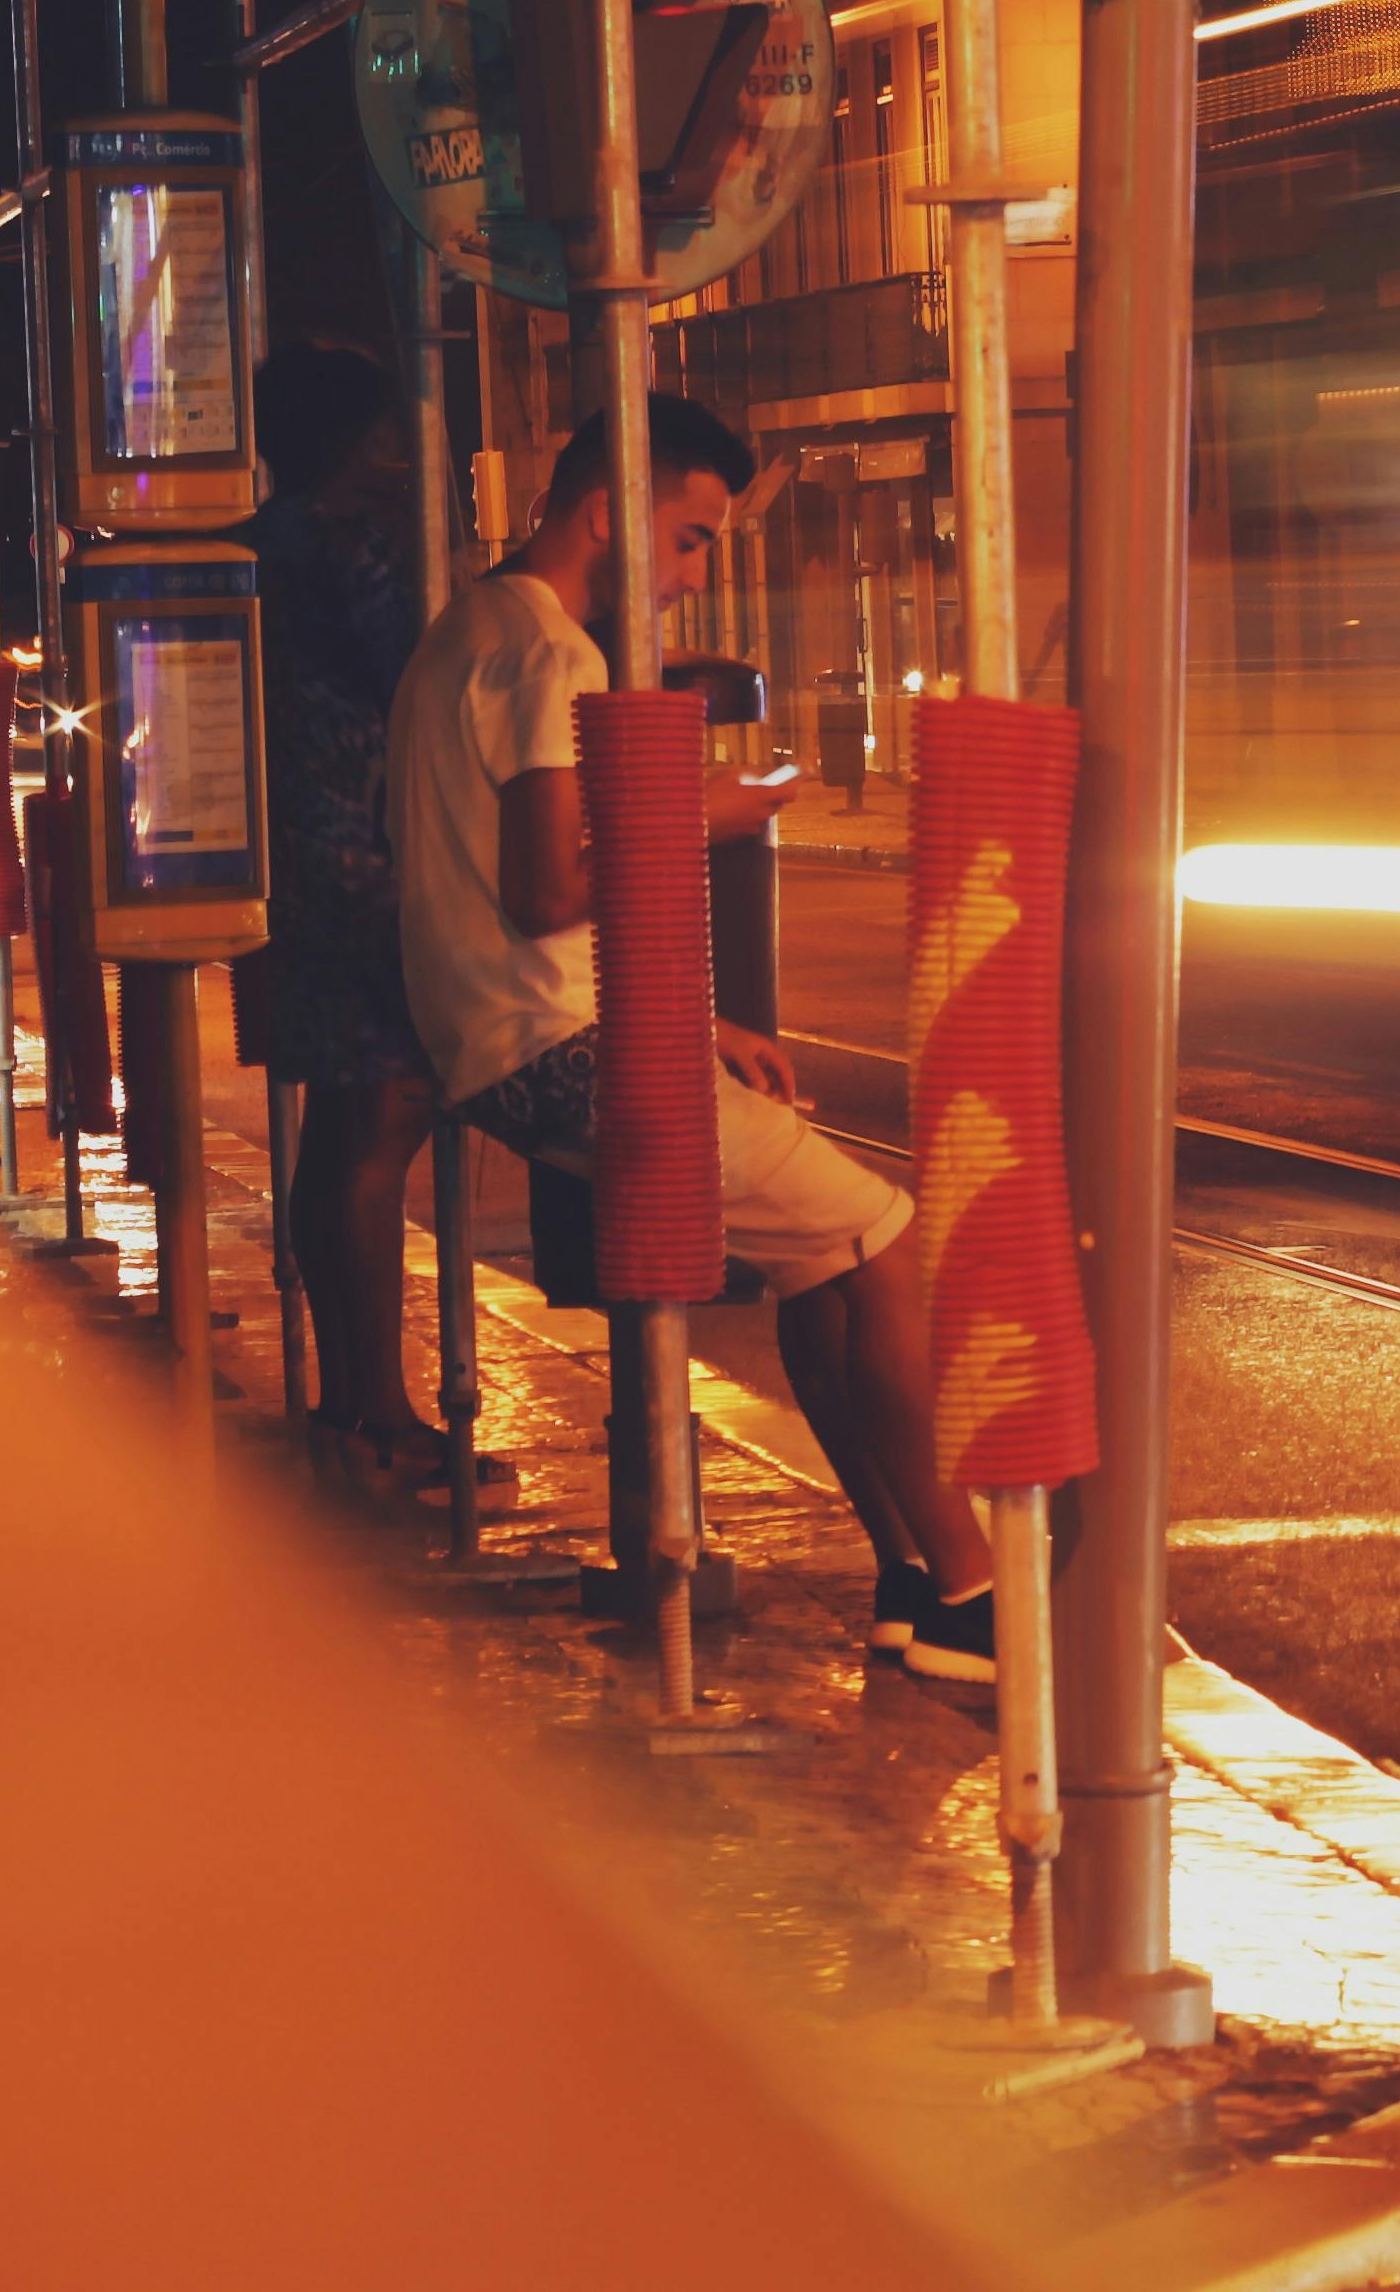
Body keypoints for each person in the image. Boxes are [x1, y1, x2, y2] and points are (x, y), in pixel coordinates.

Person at [387, 392, 998, 1683]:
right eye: (692, 539)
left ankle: (902, 1574)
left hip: (508, 1039)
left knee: (819, 1262)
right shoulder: (556, 656)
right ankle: (970, 1591)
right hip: (559, 1053)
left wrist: (702, 1019)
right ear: (609, 516)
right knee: (884, 1243)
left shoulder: (462, 633)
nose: (693, 572)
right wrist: (703, 814)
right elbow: (548, 891)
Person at [238, 342, 465, 1498]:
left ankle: (348, 1402)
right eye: (383, 440)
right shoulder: (347, 548)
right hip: (362, 858)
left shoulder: (261, 543)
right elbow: (412, 672)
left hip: (295, 862)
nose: (397, 460)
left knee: (339, 1130)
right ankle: (381, 1409)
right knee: (385, 1116)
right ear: (346, 445)